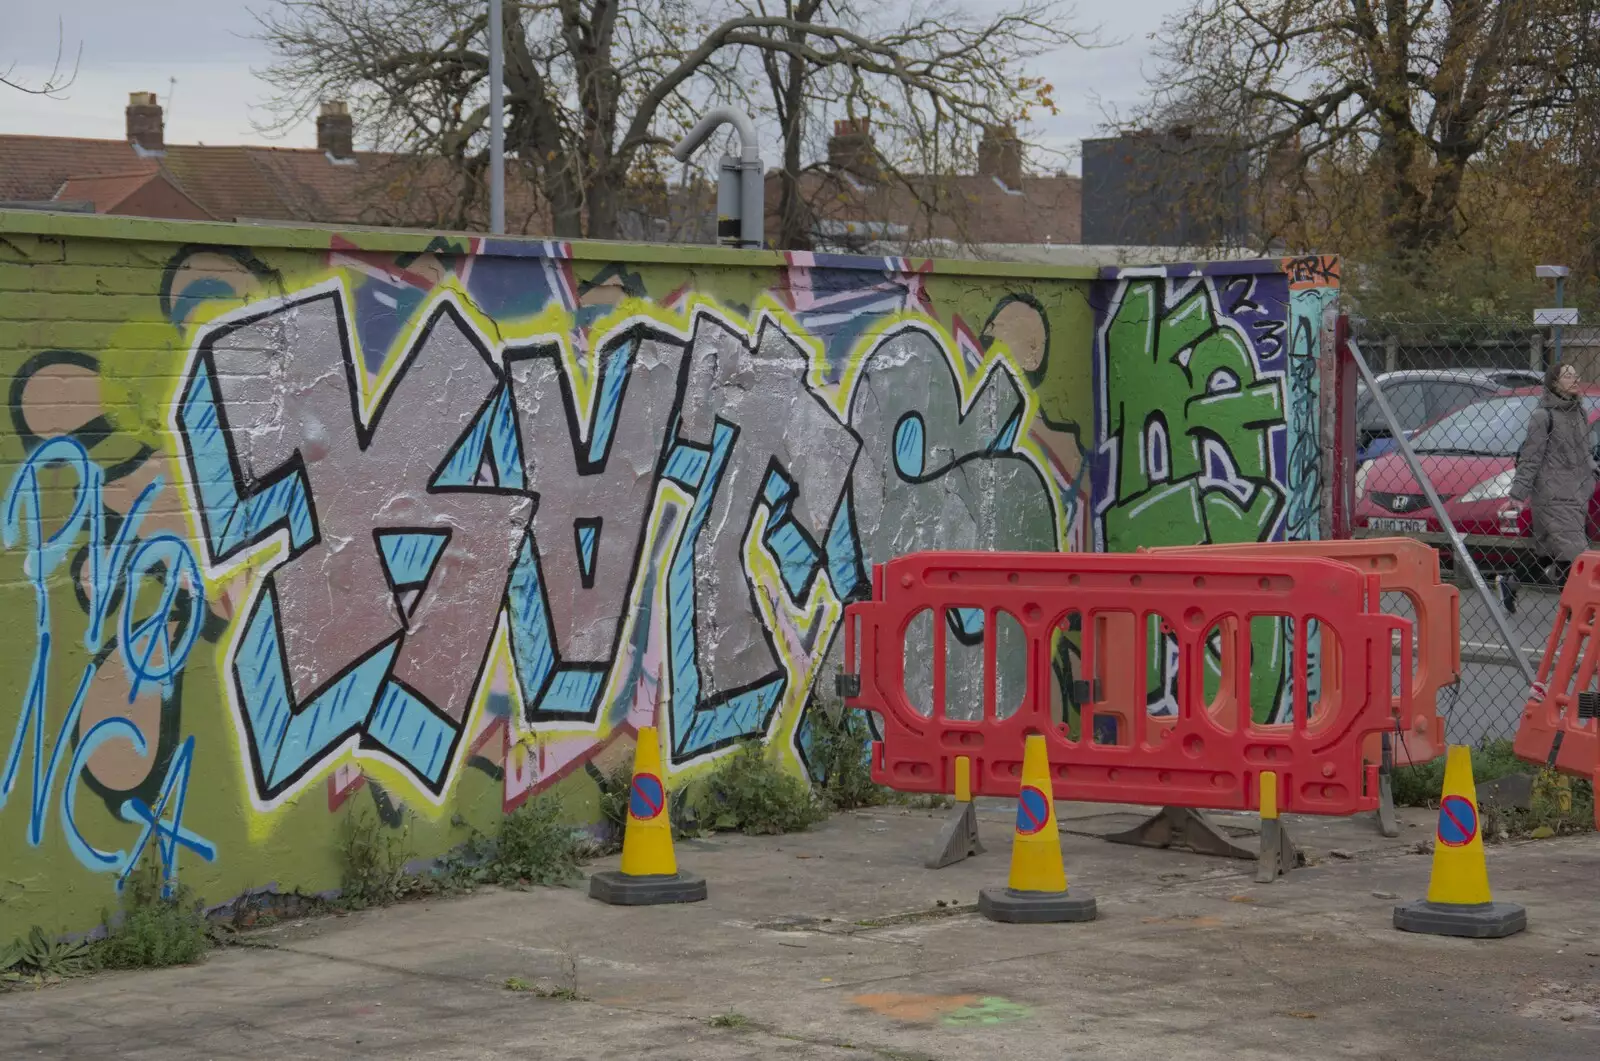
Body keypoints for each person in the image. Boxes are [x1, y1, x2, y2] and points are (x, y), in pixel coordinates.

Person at [1499, 362, 1596, 614]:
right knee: (1574, 553)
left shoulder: (1580, 412)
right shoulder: (1543, 416)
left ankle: (1511, 582)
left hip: (1577, 493)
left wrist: (1592, 473)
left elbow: (1584, 451)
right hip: (1552, 496)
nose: (1574, 380)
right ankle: (1576, 611)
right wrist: (1517, 495)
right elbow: (1531, 457)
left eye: (1576, 375)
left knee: (1549, 552)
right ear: (1554, 383)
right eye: (1567, 376)